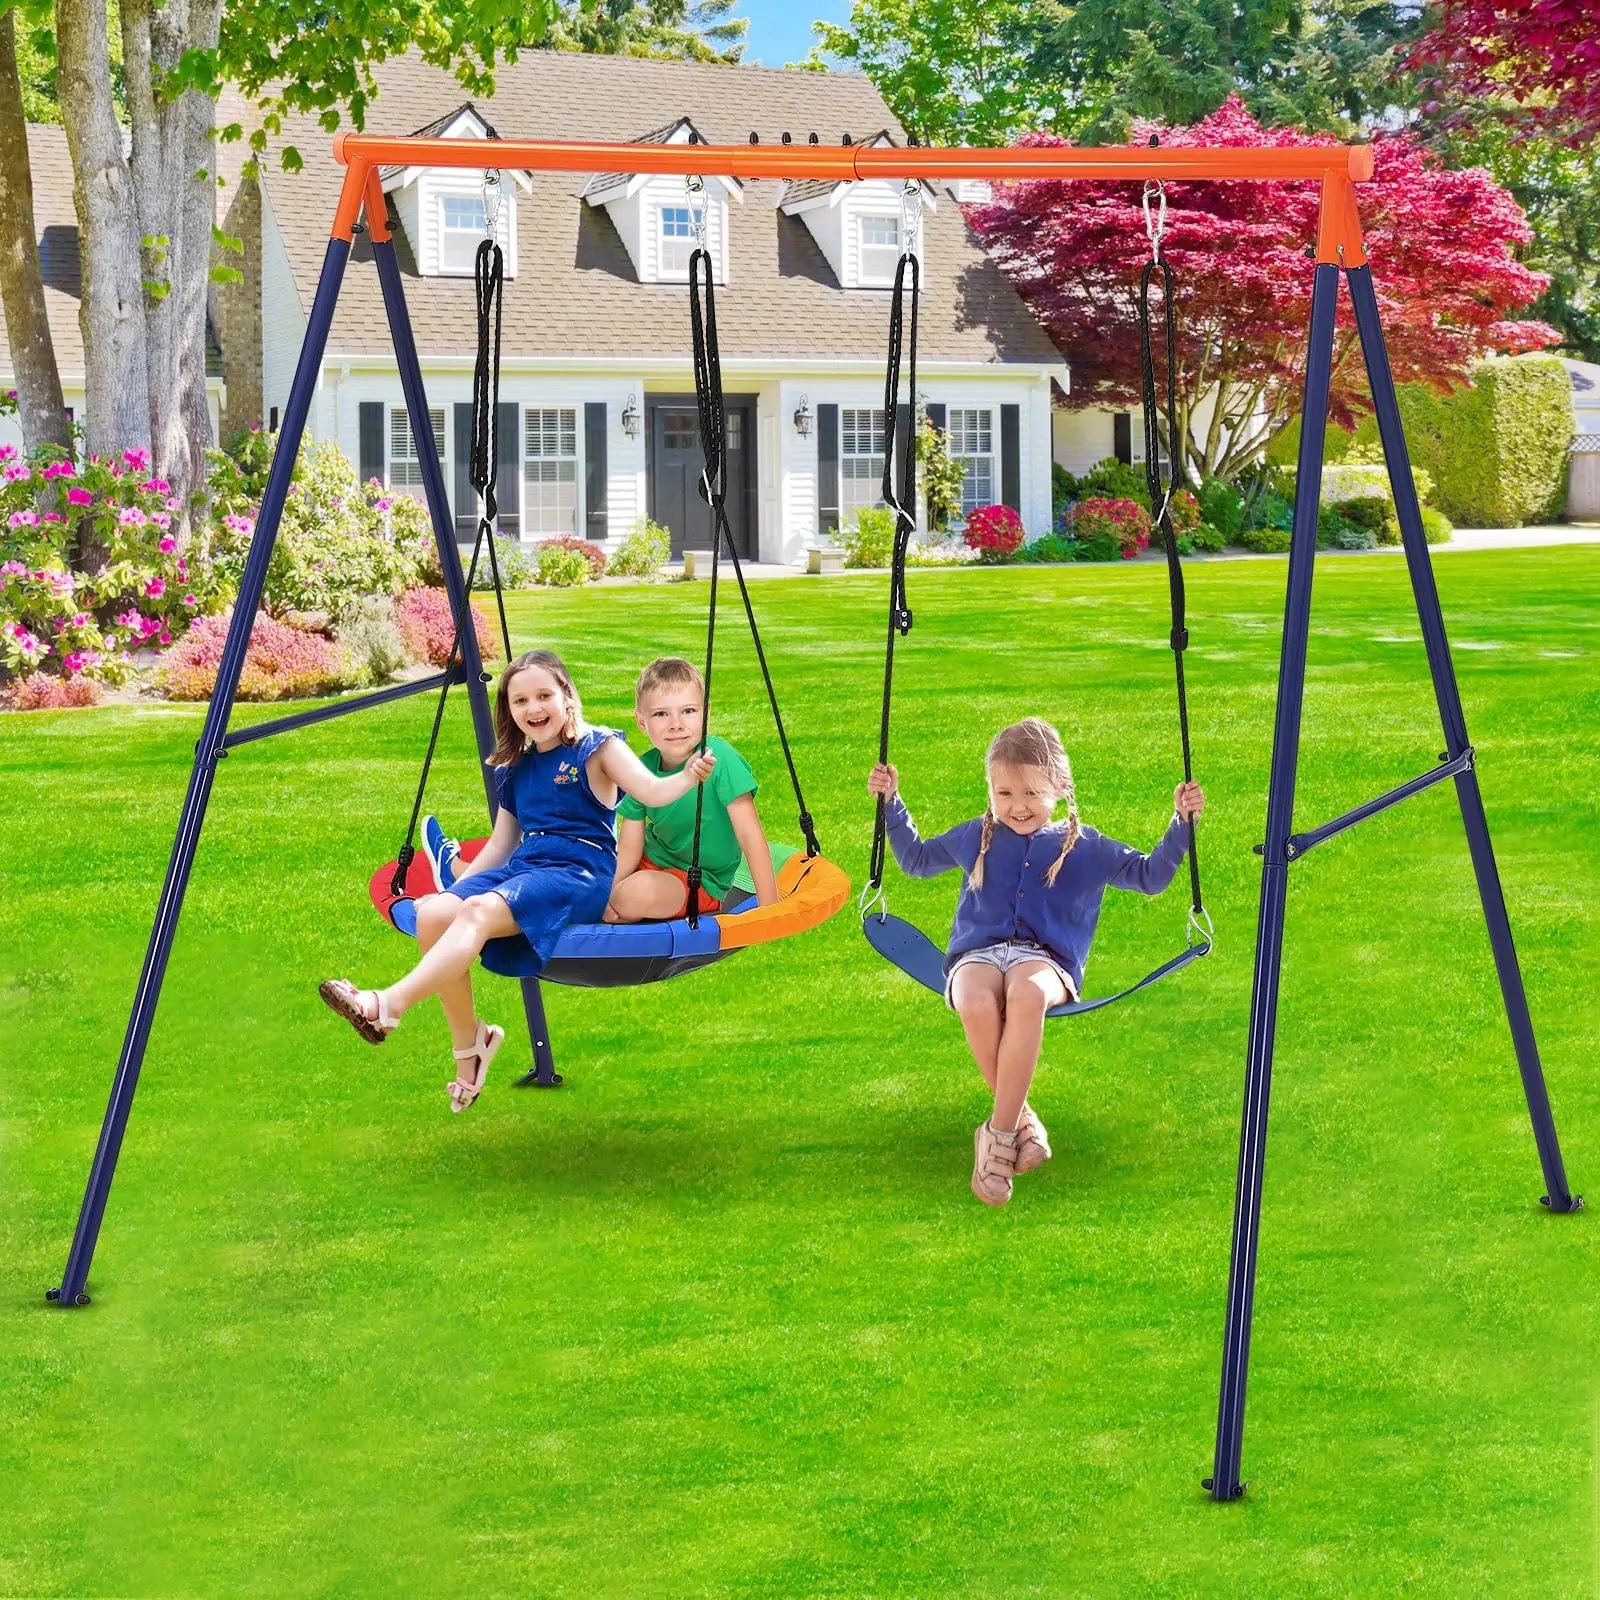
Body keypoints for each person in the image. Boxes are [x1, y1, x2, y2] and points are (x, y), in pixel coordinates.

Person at [320, 648, 714, 1113]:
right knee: (435, 915)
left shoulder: (599, 746)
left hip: (578, 873)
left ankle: (387, 1004)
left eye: (544, 695)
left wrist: (688, 776)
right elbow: (501, 846)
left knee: (479, 910)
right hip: (526, 868)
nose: (534, 708)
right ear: (508, 710)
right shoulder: (517, 766)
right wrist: (449, 894)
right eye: (520, 700)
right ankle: (471, 1049)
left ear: (567, 695)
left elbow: (651, 790)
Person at [867, 717, 1204, 1207]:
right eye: (1003, 793)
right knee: (975, 1000)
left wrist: (1181, 825)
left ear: (1060, 789)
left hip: (1044, 963)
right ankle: (1021, 1119)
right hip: (977, 955)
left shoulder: (1087, 846)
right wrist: (891, 806)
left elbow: (1149, 877)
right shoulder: (976, 836)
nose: (1016, 806)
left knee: (1025, 993)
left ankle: (999, 1136)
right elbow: (917, 861)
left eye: (1030, 792)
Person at [604, 656, 778, 923]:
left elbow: (750, 835)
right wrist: (600, 890)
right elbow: (629, 847)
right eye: (661, 714)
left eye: (688, 711)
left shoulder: (719, 759)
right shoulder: (641, 769)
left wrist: (770, 909)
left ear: (705, 713)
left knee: (633, 895)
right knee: (581, 875)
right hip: (648, 861)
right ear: (642, 722)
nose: (676, 724)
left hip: (698, 880)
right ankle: (605, 904)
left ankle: (616, 905)